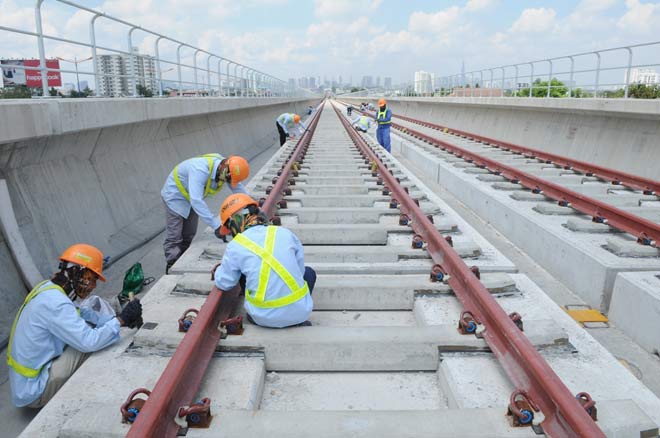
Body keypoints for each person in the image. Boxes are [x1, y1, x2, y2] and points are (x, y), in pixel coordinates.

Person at [7, 244, 143, 408]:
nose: (92, 286)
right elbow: (89, 342)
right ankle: (98, 397)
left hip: (24, 383)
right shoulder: (57, 304)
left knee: (92, 329)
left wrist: (116, 319)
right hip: (34, 391)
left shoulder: (49, 289)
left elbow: (83, 314)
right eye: (90, 278)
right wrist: (121, 321)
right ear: (75, 272)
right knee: (92, 346)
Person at [212, 194, 315, 328]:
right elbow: (300, 273)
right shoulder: (285, 233)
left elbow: (224, 282)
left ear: (234, 224)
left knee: (243, 272)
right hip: (300, 314)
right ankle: (293, 312)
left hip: (261, 317)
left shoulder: (235, 246)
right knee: (309, 273)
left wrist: (220, 271)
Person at [161, 153, 250, 273]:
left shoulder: (226, 169)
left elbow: (238, 189)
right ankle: (172, 265)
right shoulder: (200, 169)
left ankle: (181, 259)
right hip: (175, 196)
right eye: (228, 179)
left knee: (189, 233)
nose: (228, 182)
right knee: (175, 235)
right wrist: (217, 226)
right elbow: (196, 200)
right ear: (224, 168)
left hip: (190, 196)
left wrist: (252, 206)